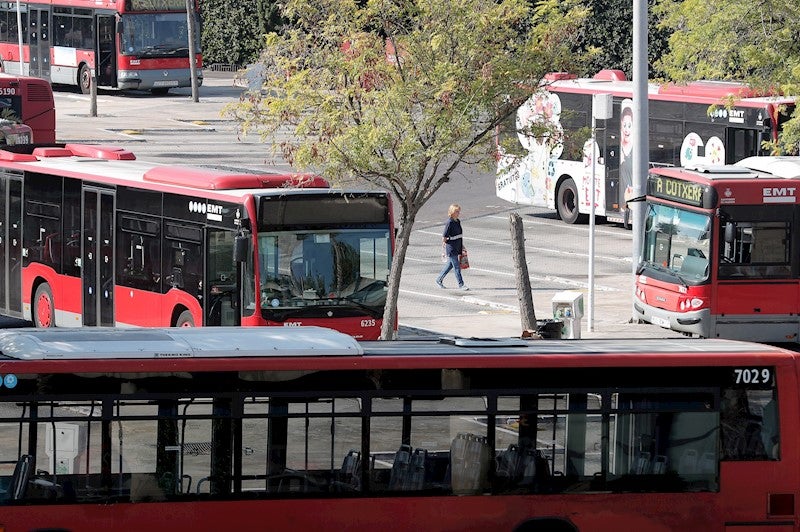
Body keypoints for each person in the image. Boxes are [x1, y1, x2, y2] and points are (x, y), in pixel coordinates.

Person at [436, 204, 468, 290]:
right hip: (451, 247)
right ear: (452, 212)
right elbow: (444, 236)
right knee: (456, 267)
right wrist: (444, 245)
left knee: (450, 265)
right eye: (457, 211)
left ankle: (439, 279)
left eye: (459, 211)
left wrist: (462, 246)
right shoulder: (449, 222)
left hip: (457, 246)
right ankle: (461, 284)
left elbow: (459, 235)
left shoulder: (457, 221)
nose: (458, 213)